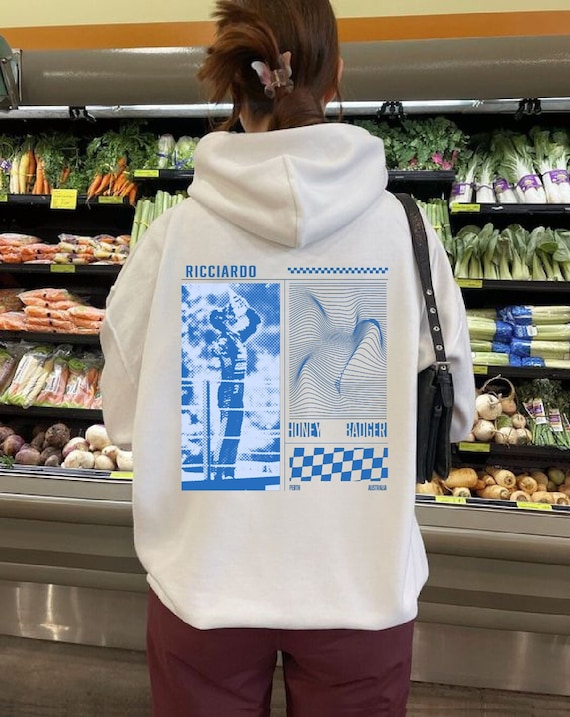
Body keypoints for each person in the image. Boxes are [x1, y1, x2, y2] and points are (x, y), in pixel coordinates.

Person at [99, 0, 475, 714]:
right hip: (360, 590)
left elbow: (122, 420)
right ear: (336, 77)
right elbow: (453, 415)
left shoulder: (172, 239)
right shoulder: (408, 234)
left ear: (234, 84)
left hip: (204, 587)